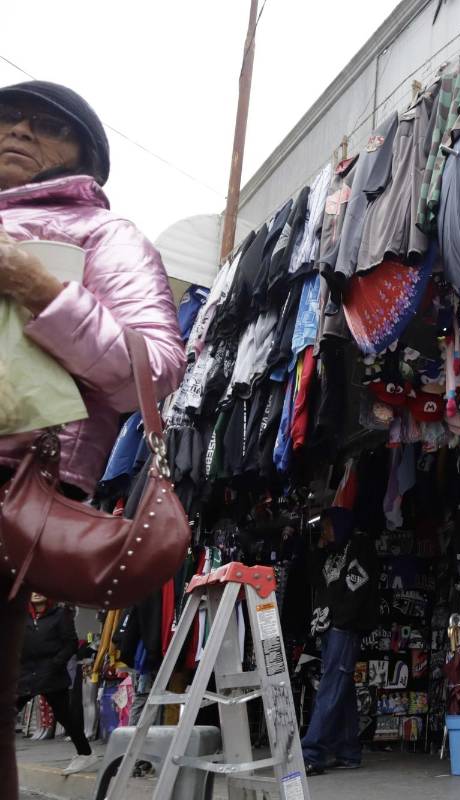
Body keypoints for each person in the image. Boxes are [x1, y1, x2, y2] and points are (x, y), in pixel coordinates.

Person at [0, 81, 186, 797]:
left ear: (81, 153)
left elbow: (154, 366)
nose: (19, 131)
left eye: (46, 126)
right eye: (8, 118)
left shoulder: (103, 237)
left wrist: (41, 290)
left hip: (14, 491)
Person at [302, 508, 379, 775]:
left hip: (343, 627)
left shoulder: (359, 545)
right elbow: (316, 582)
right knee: (341, 689)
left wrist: (342, 620)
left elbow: (359, 584)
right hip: (329, 625)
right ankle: (348, 751)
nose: (324, 532)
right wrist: (318, 550)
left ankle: (312, 752)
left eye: (327, 527)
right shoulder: (331, 551)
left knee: (331, 687)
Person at [16, 594, 96, 775]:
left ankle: (85, 754)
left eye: (41, 589)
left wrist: (55, 664)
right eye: (32, 590)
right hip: (25, 674)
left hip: (50, 674)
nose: (36, 593)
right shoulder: (21, 614)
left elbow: (71, 643)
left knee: (64, 716)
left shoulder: (60, 614)